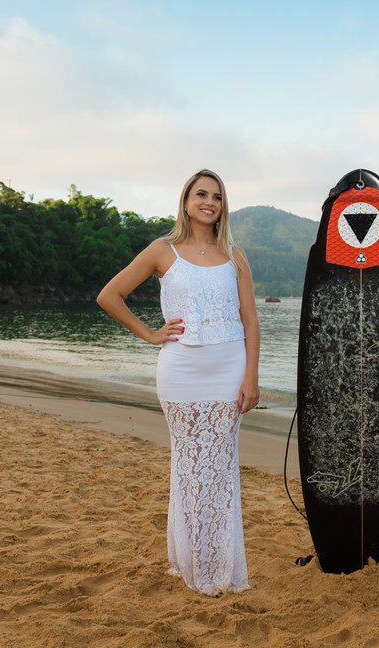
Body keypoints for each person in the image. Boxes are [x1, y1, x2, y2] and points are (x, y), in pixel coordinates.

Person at [97, 168, 260, 595]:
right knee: (189, 467)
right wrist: (150, 334)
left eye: (217, 197)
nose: (209, 202)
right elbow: (109, 295)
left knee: (221, 469)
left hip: (229, 370)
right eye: (201, 194)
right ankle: (192, 564)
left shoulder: (236, 255)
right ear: (186, 201)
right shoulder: (161, 250)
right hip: (180, 373)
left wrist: (252, 377)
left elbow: (250, 319)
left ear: (223, 206)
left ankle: (220, 567)